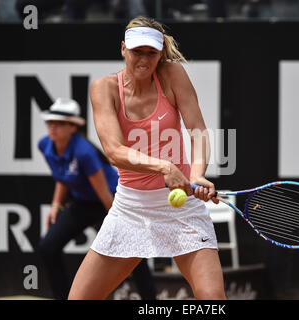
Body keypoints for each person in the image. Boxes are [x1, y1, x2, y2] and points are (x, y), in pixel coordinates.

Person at [68, 16, 226, 300]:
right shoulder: (104, 88)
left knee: (213, 299)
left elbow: (198, 131)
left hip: (184, 210)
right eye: (136, 51)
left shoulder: (173, 75)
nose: (143, 59)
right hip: (131, 209)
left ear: (160, 54)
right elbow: (114, 151)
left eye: (151, 53)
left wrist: (197, 174)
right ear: (123, 49)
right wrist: (165, 167)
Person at [38, 97, 157, 300]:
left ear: (72, 127)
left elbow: (103, 191)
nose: (53, 128)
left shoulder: (84, 152)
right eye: (50, 122)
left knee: (133, 250)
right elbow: (63, 176)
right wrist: (56, 205)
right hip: (82, 204)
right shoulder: (45, 145)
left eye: (59, 123)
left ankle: (151, 302)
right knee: (48, 246)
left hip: (110, 202)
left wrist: (119, 221)